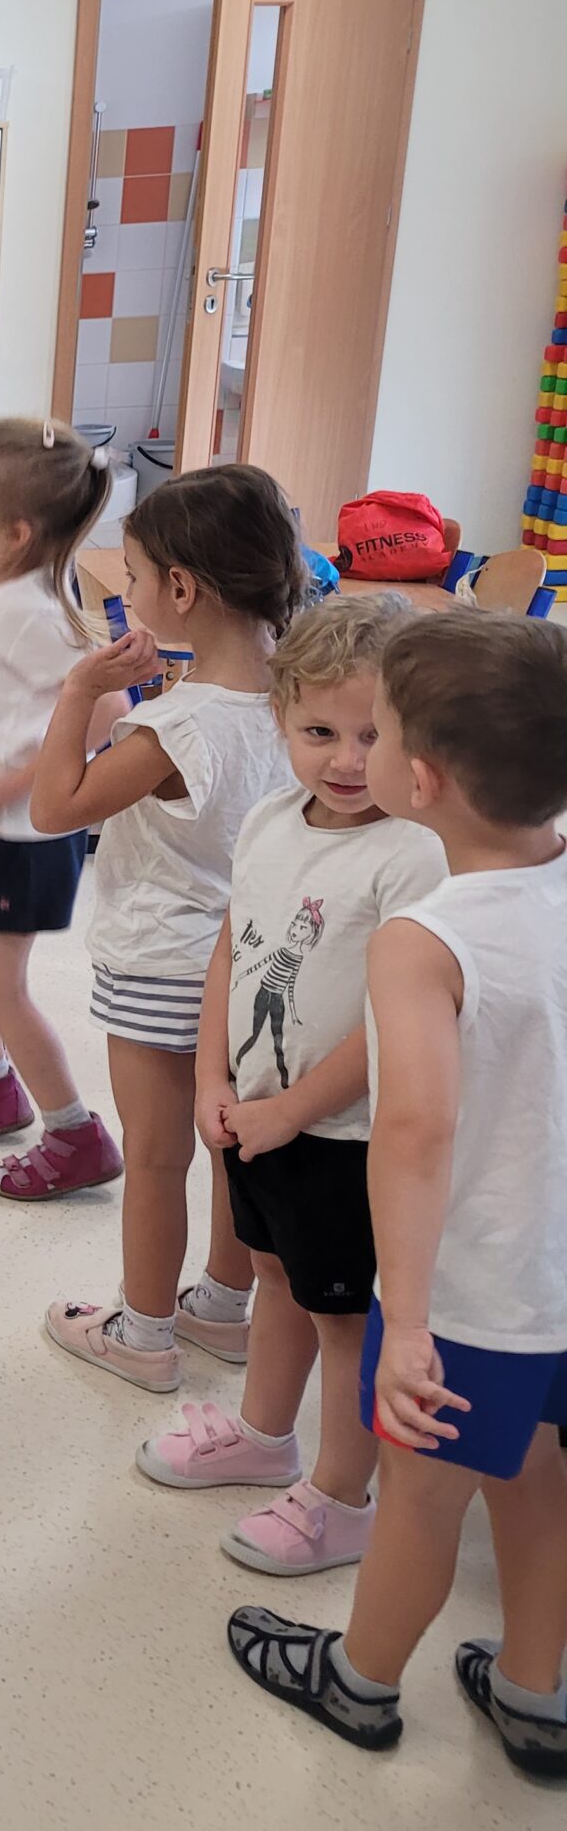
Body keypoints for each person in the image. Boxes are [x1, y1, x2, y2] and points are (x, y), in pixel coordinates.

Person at [232, 612, 567, 1779]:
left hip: (471, 1290)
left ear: (417, 780)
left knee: (422, 1495)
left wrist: (410, 1322)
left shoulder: (425, 938)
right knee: (534, 1473)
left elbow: (415, 1132)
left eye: (375, 732)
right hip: (557, 1277)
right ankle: (536, 1692)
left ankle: (360, 1680)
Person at [133, 595, 445, 1578]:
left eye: (374, 736)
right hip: (254, 1115)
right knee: (272, 1277)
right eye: (320, 733)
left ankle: (343, 1500)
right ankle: (265, 1436)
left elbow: (396, 1022)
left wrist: (291, 1111)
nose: (347, 761)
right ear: (280, 718)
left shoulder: (415, 852)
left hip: (344, 1136)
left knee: (342, 1318)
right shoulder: (272, 816)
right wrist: (211, 1077)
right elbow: (235, 944)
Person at [27, 469, 303, 1404]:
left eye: (136, 576)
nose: (129, 590)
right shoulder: (305, 701)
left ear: (181, 589)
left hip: (162, 962)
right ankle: (223, 1306)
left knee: (154, 1155)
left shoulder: (171, 728)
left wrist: (80, 692)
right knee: (231, 1144)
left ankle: (142, 1333)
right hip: (261, 965)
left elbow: (56, 807)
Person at [0, 417, 124, 1195]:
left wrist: (2, 785)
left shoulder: (36, 612)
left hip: (22, 832)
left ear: (15, 531)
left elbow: (105, 714)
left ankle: (75, 1133)